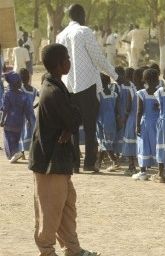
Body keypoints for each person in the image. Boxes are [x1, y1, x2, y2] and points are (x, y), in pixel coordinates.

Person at [29, 43, 99, 256]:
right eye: (67, 58)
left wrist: (70, 126)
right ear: (60, 64)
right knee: (50, 210)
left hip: (59, 161)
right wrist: (70, 124)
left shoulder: (57, 86)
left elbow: (72, 119)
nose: (70, 61)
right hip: (49, 162)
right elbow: (74, 117)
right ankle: (46, 251)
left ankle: (73, 249)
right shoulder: (53, 92)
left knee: (67, 207)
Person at [57, 4, 118, 173]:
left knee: (72, 126)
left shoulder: (60, 36)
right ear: (81, 15)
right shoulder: (84, 31)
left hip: (68, 85)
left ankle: (75, 163)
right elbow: (98, 57)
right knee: (90, 126)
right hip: (86, 85)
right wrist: (115, 75)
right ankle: (89, 163)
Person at [132, 68, 160, 181]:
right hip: (157, 123)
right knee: (156, 145)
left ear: (145, 80)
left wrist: (137, 125)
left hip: (145, 123)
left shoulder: (141, 93)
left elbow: (139, 111)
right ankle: (160, 171)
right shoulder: (160, 92)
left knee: (143, 146)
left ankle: (143, 172)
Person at [0, 72, 33, 162]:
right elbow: (27, 111)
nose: (20, 83)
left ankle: (14, 154)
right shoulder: (23, 95)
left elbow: (5, 109)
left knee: (9, 140)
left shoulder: (7, 94)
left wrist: (2, 120)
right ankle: (17, 153)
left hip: (9, 122)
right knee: (17, 139)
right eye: (19, 82)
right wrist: (30, 121)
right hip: (19, 123)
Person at [96, 73, 121, 172]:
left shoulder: (98, 95)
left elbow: (96, 108)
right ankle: (98, 163)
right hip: (111, 120)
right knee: (104, 142)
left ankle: (115, 161)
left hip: (102, 120)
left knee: (105, 143)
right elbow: (116, 109)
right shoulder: (114, 94)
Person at [14, 68, 38, 162]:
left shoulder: (20, 89)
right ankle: (32, 154)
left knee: (21, 134)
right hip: (31, 116)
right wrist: (34, 106)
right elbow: (42, 96)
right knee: (32, 134)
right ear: (28, 78)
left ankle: (22, 153)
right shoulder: (34, 90)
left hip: (21, 115)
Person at [122, 67, 143, 175]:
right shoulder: (148, 91)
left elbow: (129, 108)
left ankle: (131, 166)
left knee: (130, 143)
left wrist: (124, 118)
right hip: (143, 121)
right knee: (141, 144)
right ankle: (142, 167)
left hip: (132, 120)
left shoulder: (131, 90)